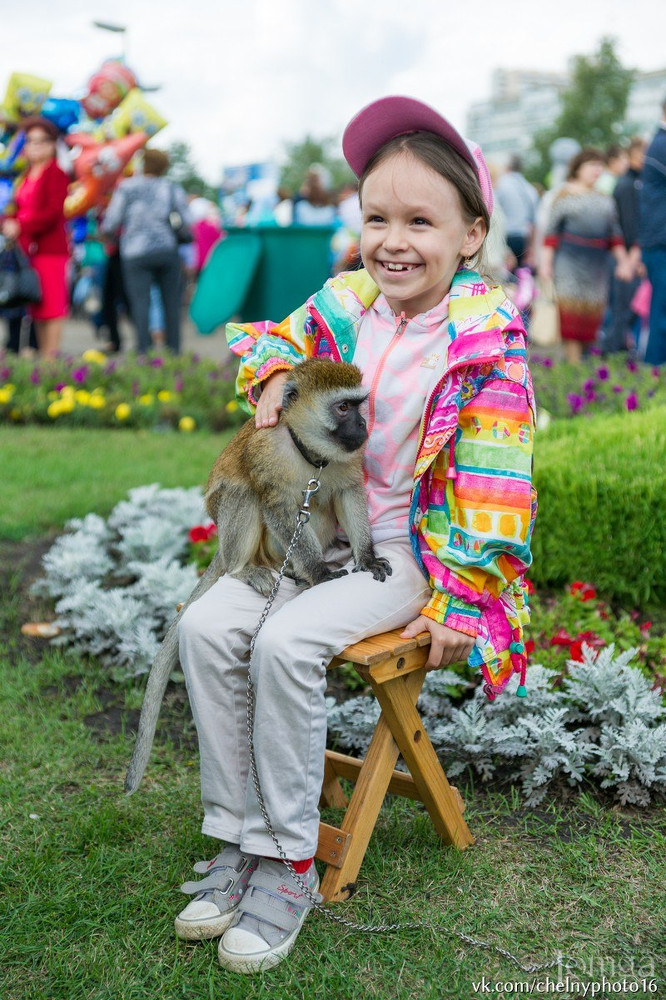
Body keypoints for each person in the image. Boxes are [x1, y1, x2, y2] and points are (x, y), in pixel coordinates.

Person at [176, 95, 537, 975]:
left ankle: (290, 860)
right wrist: (270, 378)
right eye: (378, 217)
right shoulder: (348, 302)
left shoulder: (482, 343)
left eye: (422, 219)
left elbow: (498, 486)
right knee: (205, 626)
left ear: (471, 234)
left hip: (400, 555)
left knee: (287, 645)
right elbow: (270, 340)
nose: (394, 239)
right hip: (306, 536)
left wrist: (464, 597)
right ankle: (237, 838)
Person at [540, 148, 632, 364]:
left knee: (591, 317)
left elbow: (615, 236)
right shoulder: (563, 195)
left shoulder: (605, 199)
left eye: (600, 165)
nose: (597, 170)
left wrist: (624, 262)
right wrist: (546, 265)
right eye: (592, 165)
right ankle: (573, 367)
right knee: (570, 316)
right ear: (578, 168)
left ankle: (581, 366)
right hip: (568, 265)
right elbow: (551, 235)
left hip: (597, 267)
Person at [101, 147, 191, 354]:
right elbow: (187, 219)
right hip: (166, 249)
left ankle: (144, 352)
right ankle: (174, 352)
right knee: (171, 303)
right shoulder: (169, 187)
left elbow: (112, 221)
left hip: (135, 251)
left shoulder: (126, 187)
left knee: (140, 303)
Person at [0, 116, 70, 356]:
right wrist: (9, 222)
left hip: (51, 249)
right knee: (37, 309)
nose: (35, 146)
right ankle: (44, 360)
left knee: (52, 306)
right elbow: (13, 208)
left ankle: (51, 359)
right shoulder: (25, 175)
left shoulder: (56, 173)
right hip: (27, 250)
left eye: (41, 141)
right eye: (30, 141)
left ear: (53, 144)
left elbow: (53, 211)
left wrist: (21, 225)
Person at [605, 137, 646, 354]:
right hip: (627, 257)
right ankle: (614, 354)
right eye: (641, 155)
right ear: (630, 155)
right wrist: (632, 259)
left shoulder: (634, 182)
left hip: (630, 255)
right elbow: (630, 226)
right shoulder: (628, 185)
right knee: (624, 310)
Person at [639, 96, 666, 365]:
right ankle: (655, 370)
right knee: (662, 310)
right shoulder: (661, 144)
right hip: (660, 242)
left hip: (658, 241)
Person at [495, 155, 539, 269]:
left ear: (507, 167)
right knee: (521, 276)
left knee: (505, 278)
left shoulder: (501, 185)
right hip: (524, 238)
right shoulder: (530, 189)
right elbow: (534, 222)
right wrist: (531, 247)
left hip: (505, 238)